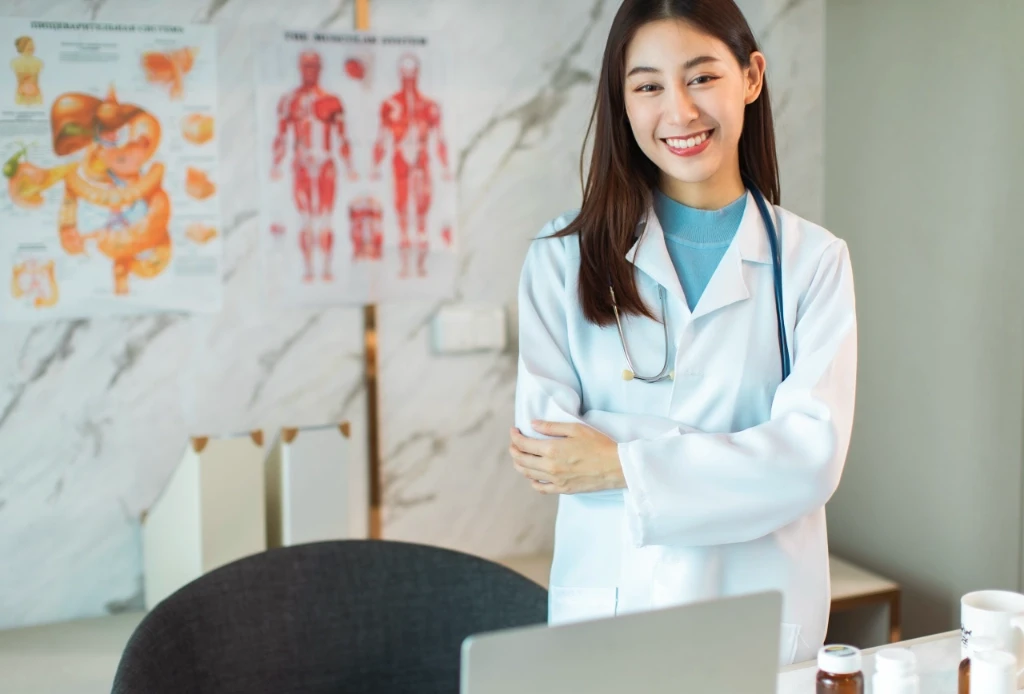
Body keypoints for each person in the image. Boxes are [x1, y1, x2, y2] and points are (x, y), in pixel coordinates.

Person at [509, 0, 857, 666]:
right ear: (623, 101)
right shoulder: (560, 259)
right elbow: (550, 453)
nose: (680, 111)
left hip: (759, 618)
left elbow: (812, 459)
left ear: (751, 77)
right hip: (610, 617)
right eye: (648, 86)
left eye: (701, 76)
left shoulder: (814, 262)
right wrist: (747, 459)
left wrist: (617, 458)